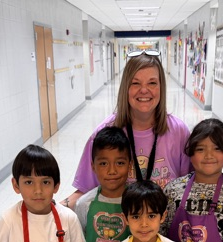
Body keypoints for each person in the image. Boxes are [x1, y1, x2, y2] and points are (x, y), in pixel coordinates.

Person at [62, 50, 192, 210]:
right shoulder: (104, 132)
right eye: (135, 83)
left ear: (161, 87)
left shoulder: (179, 132)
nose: (144, 90)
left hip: (165, 228)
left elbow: (192, 186)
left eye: (152, 83)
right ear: (125, 88)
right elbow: (85, 191)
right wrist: (54, 209)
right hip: (117, 227)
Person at [74, 127, 132, 242]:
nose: (112, 170)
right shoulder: (84, 204)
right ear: (93, 166)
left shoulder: (137, 204)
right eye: (103, 163)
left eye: (120, 163)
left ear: (129, 165)